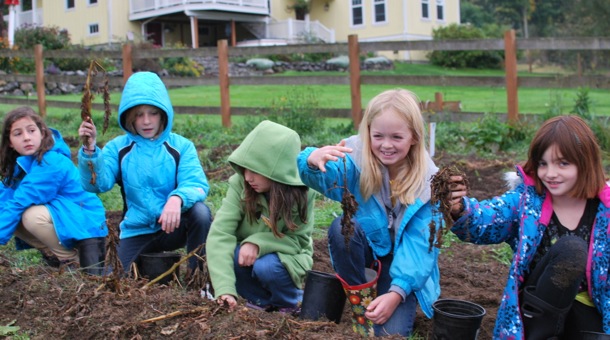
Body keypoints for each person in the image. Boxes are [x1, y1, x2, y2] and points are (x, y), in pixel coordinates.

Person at [447, 115, 610, 339]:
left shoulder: (605, 211)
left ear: (585, 162)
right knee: (571, 250)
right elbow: (487, 220)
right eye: (543, 163)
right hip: (539, 310)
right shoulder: (527, 201)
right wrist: (459, 208)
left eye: (563, 163)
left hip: (588, 309)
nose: (550, 173)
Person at [297, 89, 440, 337]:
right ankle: (360, 298)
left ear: (414, 137)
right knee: (342, 226)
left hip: (403, 265)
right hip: (368, 250)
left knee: (389, 334)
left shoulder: (428, 183)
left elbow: (421, 245)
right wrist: (311, 159)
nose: (386, 144)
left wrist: (397, 293)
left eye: (396, 136)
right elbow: (327, 177)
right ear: (368, 133)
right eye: (378, 136)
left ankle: (387, 295)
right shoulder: (357, 158)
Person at [77, 71, 212, 277]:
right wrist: (90, 151)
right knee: (112, 281)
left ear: (163, 113)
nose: (146, 121)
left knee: (201, 213)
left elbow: (196, 183)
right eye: (139, 114)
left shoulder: (181, 147)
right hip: (137, 230)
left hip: (173, 226)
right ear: (129, 115)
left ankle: (198, 278)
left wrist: (176, 199)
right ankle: (140, 263)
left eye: (153, 113)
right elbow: (97, 185)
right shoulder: (118, 148)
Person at [206, 120, 315, 313]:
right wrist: (225, 290)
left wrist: (258, 243)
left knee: (267, 267)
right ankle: (260, 301)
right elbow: (220, 234)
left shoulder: (302, 193)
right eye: (245, 169)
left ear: (278, 169)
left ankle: (290, 302)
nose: (248, 177)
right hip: (247, 258)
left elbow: (298, 241)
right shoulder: (240, 185)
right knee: (234, 255)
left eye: (256, 171)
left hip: (288, 258)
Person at [0, 106, 107, 269]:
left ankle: (70, 259)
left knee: (30, 215)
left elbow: (20, 200)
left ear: (42, 133)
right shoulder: (21, 164)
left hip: (84, 219)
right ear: (10, 143)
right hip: (64, 214)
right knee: (10, 211)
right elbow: (4, 197)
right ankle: (54, 253)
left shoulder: (51, 162)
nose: (27, 138)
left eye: (31, 131)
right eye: (18, 133)